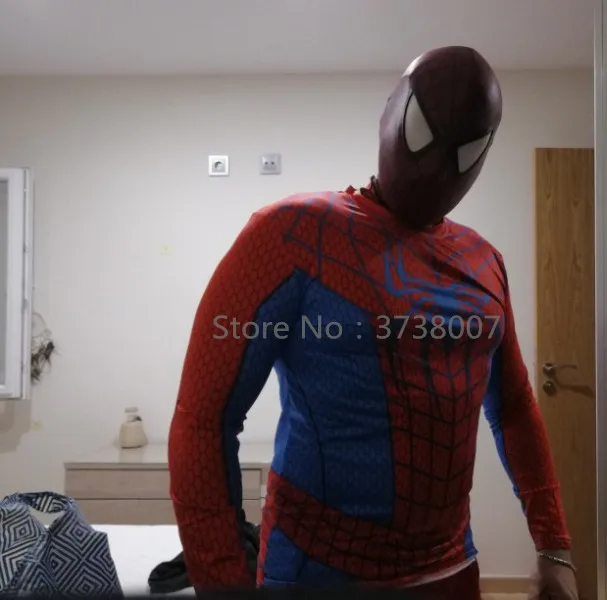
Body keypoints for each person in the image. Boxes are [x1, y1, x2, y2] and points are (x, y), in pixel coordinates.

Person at [167, 46, 579, 600]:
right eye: (422, 132)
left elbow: (514, 408)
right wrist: (223, 582)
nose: (437, 167)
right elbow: (203, 420)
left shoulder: (485, 263)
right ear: (389, 112)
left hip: (451, 567)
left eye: (465, 150)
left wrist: (554, 545)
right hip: (317, 568)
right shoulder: (290, 236)